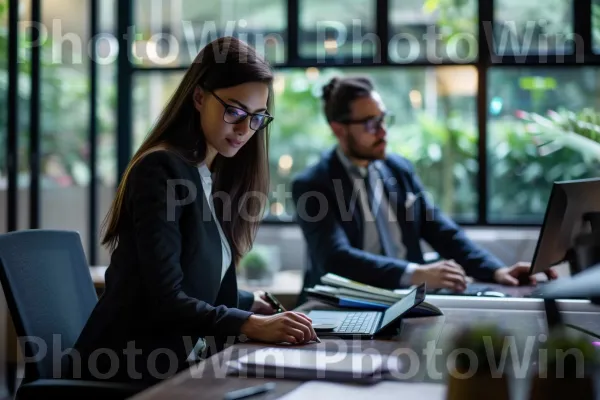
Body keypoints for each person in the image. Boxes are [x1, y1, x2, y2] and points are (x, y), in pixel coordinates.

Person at [70, 37, 317, 385]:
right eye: (234, 111)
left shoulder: (207, 176)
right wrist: (249, 323)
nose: (245, 129)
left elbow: (194, 280)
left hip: (176, 366)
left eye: (257, 117)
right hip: (125, 370)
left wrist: (249, 302)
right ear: (199, 97)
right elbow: (167, 299)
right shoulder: (161, 170)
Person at [291, 75, 557, 299]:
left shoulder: (398, 169)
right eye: (371, 124)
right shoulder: (313, 185)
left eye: (383, 119)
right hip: (344, 304)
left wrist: (497, 271)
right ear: (339, 130)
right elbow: (335, 259)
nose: (383, 132)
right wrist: (415, 273)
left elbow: (442, 231)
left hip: (408, 300)